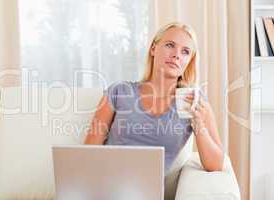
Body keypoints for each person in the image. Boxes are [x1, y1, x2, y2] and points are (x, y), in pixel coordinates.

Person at [84, 22, 224, 174]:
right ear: (153, 49)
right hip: (104, 185)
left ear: (189, 60)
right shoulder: (119, 91)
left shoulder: (193, 100)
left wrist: (199, 125)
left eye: (185, 51)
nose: (176, 54)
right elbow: (88, 153)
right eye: (170, 45)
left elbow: (216, 165)